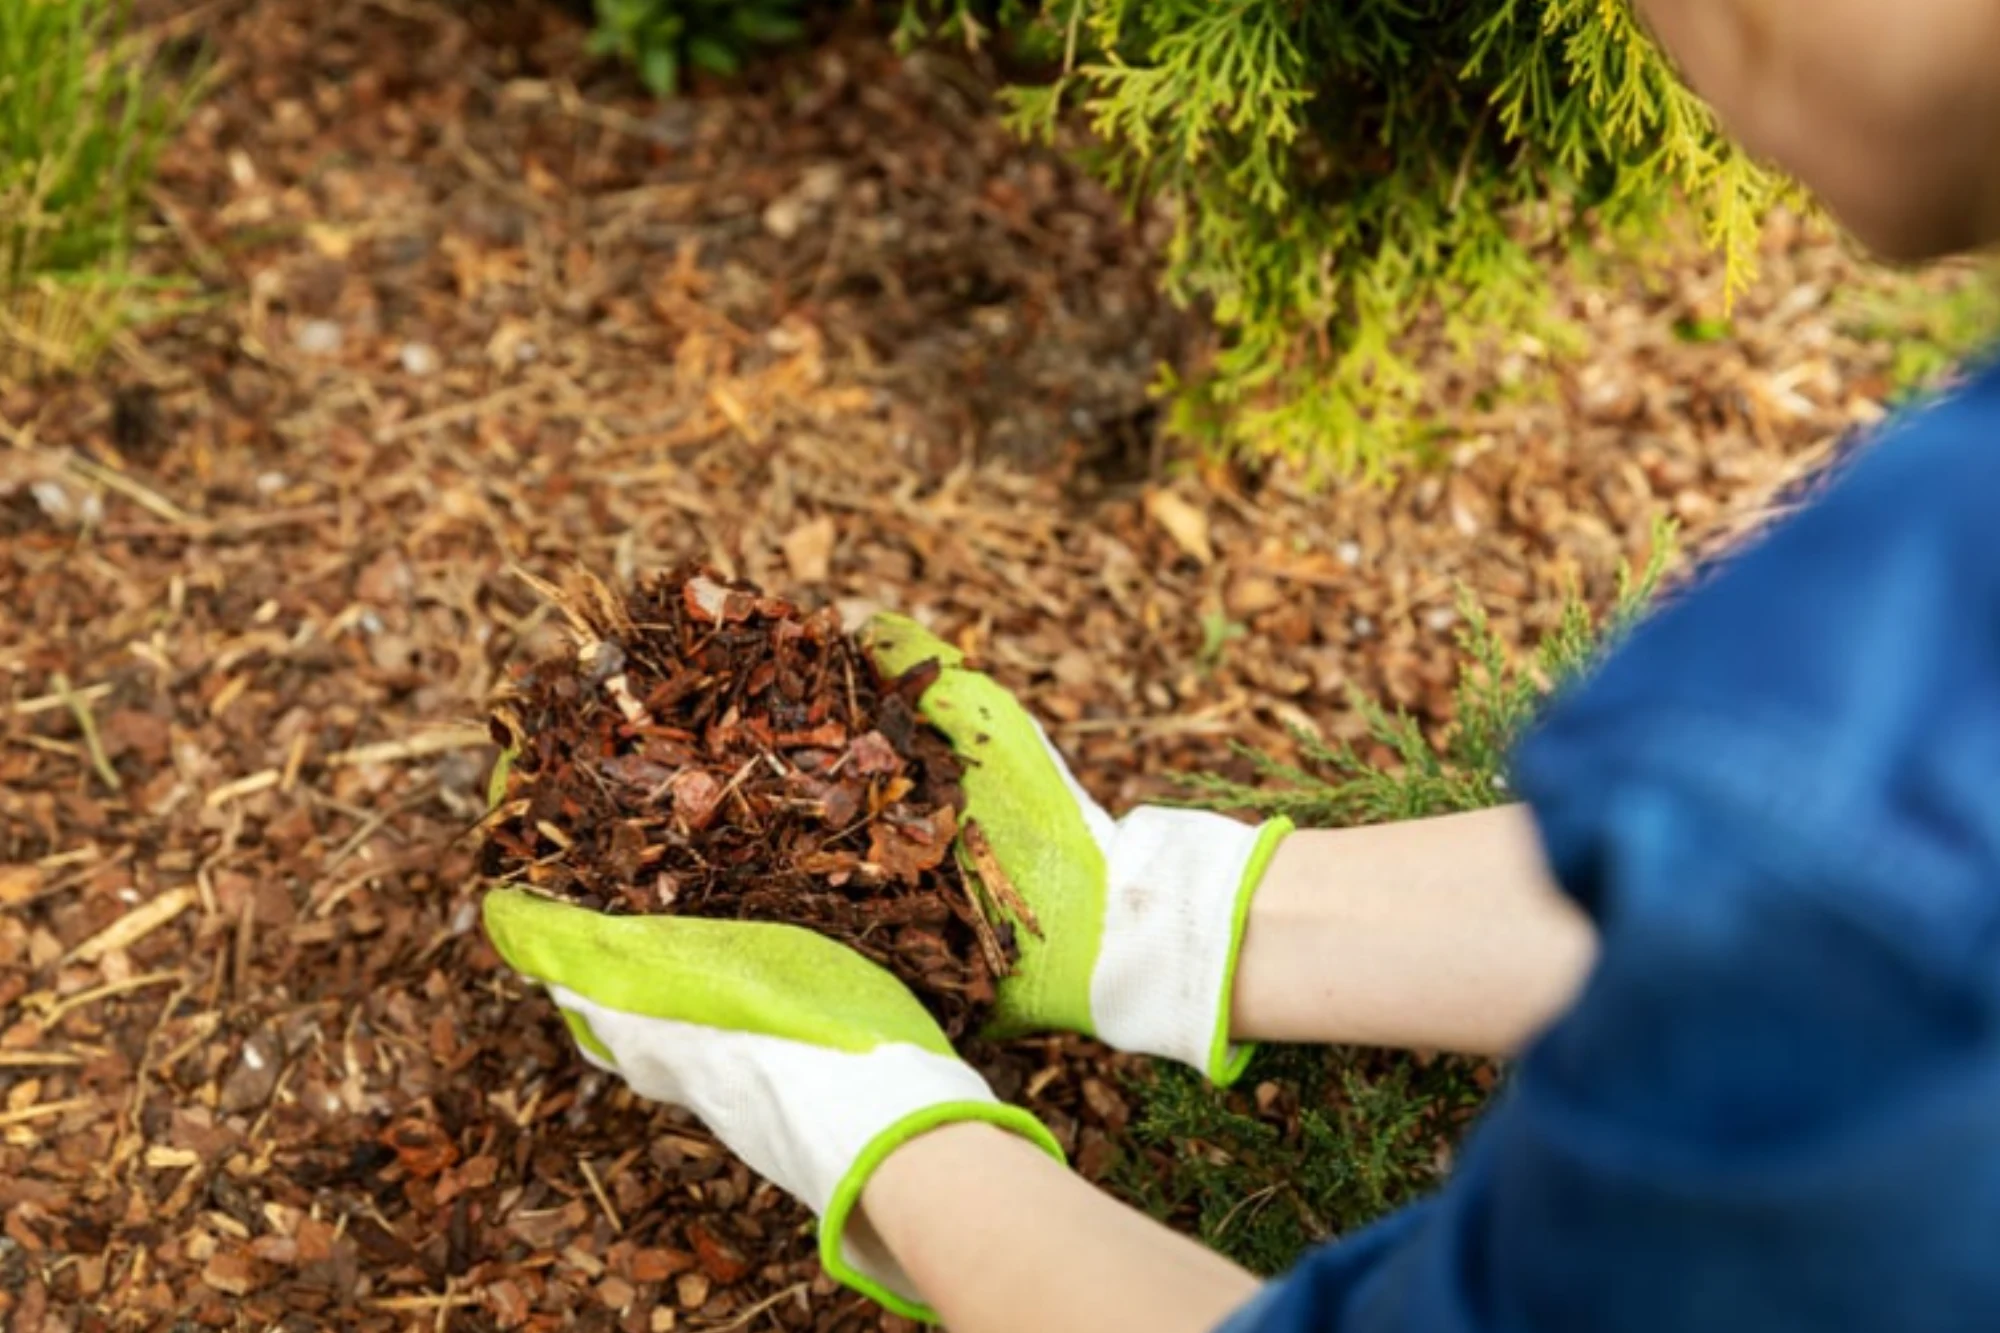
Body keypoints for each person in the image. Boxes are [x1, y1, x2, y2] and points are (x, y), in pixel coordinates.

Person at [481, 3, 2000, 1329]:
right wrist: (1148, 913)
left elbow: (1871, 910)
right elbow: (1839, 926)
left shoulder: (1874, 683)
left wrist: (856, 1120)